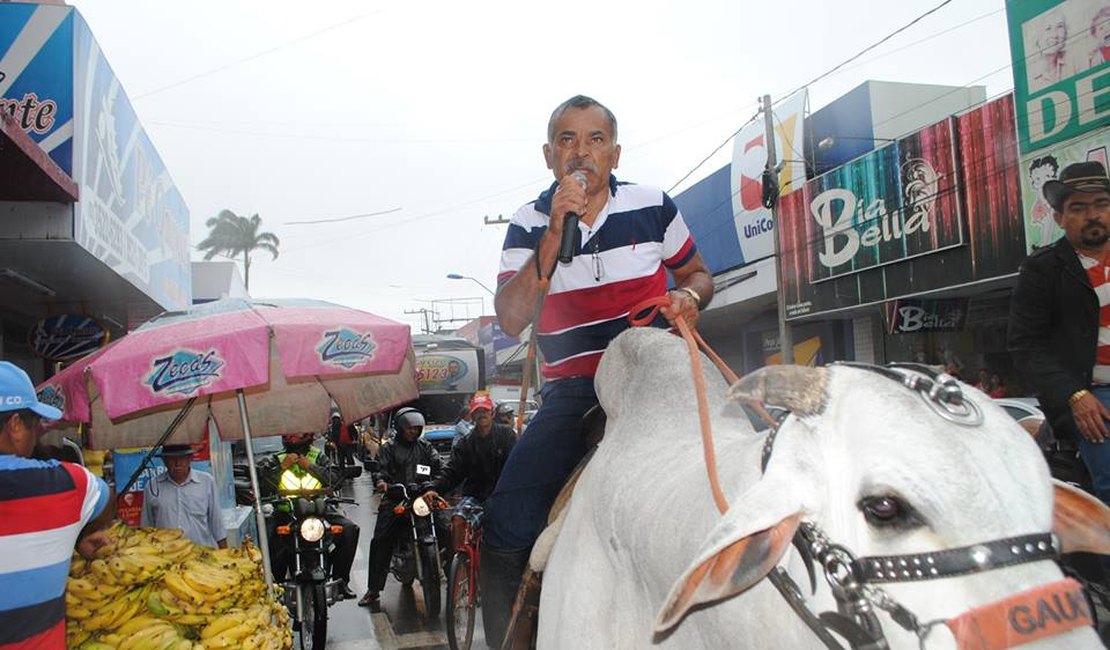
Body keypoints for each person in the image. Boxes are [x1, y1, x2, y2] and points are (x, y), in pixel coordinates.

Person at [485, 94, 713, 646]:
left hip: (662, 375)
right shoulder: (528, 222)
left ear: (614, 151)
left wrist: (687, 295)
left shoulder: (654, 204)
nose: (581, 151)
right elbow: (511, 319)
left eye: (594, 139)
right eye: (567, 140)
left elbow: (701, 274)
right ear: (548, 156)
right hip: (575, 391)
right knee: (507, 520)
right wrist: (553, 231)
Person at [1009, 160, 1110, 508]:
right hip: (1095, 397)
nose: (1092, 214)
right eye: (1078, 208)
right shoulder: (1043, 269)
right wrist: (1074, 394)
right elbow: (1026, 345)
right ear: (1059, 218)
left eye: (1101, 204)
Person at [0, 361, 112, 649]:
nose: (37, 434)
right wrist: (77, 532)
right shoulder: (64, 484)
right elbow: (106, 499)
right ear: (14, 426)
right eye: (34, 425)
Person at [358, 407, 444, 611]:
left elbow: (439, 466)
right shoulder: (388, 448)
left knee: (444, 526)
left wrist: (436, 484)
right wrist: (381, 482)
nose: (413, 431)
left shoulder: (425, 447)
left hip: (420, 498)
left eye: (416, 428)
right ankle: (373, 589)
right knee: (381, 539)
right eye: (409, 428)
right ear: (400, 427)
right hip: (397, 498)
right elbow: (379, 470)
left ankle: (456, 574)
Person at [257, 431, 359, 599]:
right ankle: (274, 587)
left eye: (295, 434)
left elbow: (336, 479)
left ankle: (341, 582)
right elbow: (262, 484)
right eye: (288, 435)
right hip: (286, 512)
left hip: (318, 510)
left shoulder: (319, 456)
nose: (291, 437)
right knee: (268, 539)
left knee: (349, 530)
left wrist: (310, 467)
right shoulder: (276, 459)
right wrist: (282, 467)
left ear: (307, 435)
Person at [425, 394, 516, 504]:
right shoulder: (465, 443)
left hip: (502, 493)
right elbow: (452, 471)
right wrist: (433, 488)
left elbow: (516, 466)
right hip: (475, 495)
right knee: (457, 520)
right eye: (478, 412)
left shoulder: (507, 435)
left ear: (492, 413)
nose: (482, 414)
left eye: (485, 411)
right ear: (472, 416)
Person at [141, 444, 227, 549]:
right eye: (172, 459)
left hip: (202, 554)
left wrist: (226, 555)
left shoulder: (206, 482)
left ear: (189, 459)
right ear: (164, 461)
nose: (177, 464)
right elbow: (146, 527)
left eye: (181, 458)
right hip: (167, 556)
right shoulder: (152, 486)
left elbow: (217, 525)